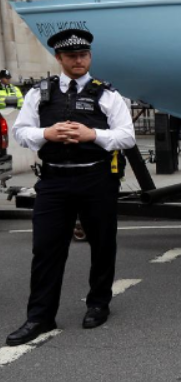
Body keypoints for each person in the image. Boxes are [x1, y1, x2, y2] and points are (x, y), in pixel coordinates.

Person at [6, 30, 135, 346]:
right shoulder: (40, 93)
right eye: (72, 56)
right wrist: (46, 133)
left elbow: (127, 136)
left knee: (103, 244)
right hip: (54, 180)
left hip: (96, 178)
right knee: (46, 248)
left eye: (84, 55)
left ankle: (98, 303)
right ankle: (40, 316)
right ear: (59, 59)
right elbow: (21, 132)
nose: (79, 60)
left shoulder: (106, 94)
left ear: (89, 57)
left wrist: (94, 136)